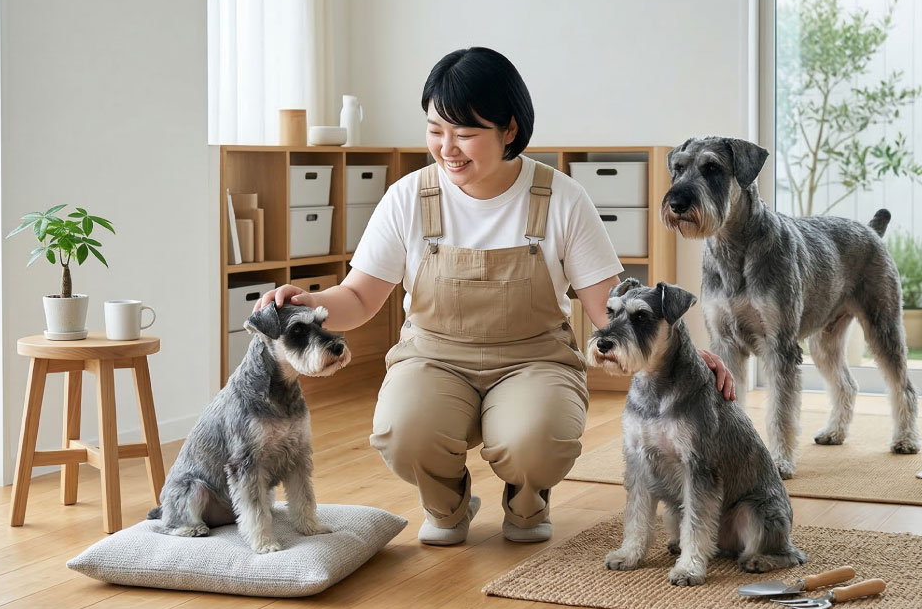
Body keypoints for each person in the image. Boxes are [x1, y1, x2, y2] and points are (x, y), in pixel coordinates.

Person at [256, 47, 734, 545]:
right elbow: (358, 296)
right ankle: (448, 504)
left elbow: (608, 305)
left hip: (534, 360)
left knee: (536, 438)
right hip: (433, 357)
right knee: (403, 429)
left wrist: (685, 355)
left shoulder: (561, 198)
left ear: (509, 129)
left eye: (465, 133)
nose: (447, 148)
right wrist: (306, 302)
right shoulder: (409, 197)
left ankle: (528, 503)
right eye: (435, 130)